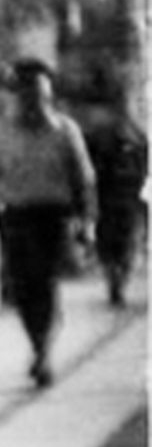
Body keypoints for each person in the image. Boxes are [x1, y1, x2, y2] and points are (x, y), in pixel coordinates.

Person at [0, 56, 96, 388]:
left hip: (53, 215)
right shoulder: (1, 134)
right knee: (21, 288)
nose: (33, 102)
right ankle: (37, 344)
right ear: (18, 96)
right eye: (26, 94)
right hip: (15, 216)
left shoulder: (65, 131)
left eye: (40, 95)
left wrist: (87, 221)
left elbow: (84, 178)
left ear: (49, 96)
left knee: (44, 283)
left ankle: (43, 352)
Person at [83, 84, 147, 306]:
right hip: (108, 198)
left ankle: (118, 283)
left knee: (125, 244)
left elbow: (145, 168)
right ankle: (115, 283)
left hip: (127, 198)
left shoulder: (139, 137)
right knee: (111, 245)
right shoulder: (100, 137)